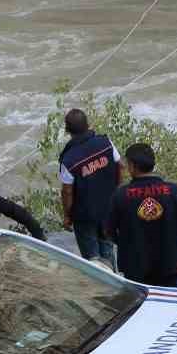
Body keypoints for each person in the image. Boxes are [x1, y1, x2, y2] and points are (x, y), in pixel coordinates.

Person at [105, 144, 177, 286]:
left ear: (132, 166)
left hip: (136, 267)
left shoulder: (120, 195)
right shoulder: (172, 190)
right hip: (171, 265)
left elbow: (109, 231)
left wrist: (124, 243)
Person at [59, 109, 121, 266]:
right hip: (108, 208)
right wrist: (116, 193)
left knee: (92, 260)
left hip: (84, 216)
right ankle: (113, 277)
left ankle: (101, 286)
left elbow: (67, 192)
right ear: (88, 125)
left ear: (67, 130)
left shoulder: (68, 159)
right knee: (107, 249)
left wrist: (67, 216)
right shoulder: (105, 142)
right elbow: (120, 167)